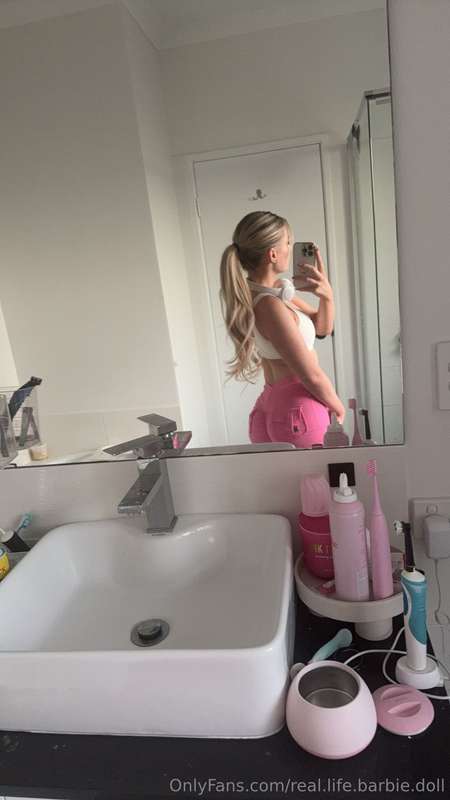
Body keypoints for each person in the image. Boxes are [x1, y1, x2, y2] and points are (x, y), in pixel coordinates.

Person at [219, 210, 345, 448]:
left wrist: (326, 296)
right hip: (298, 411)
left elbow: (322, 329)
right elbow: (310, 374)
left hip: (276, 405)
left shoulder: (269, 294)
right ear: (273, 254)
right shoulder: (270, 305)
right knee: (318, 474)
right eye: (288, 242)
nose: (290, 248)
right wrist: (338, 408)